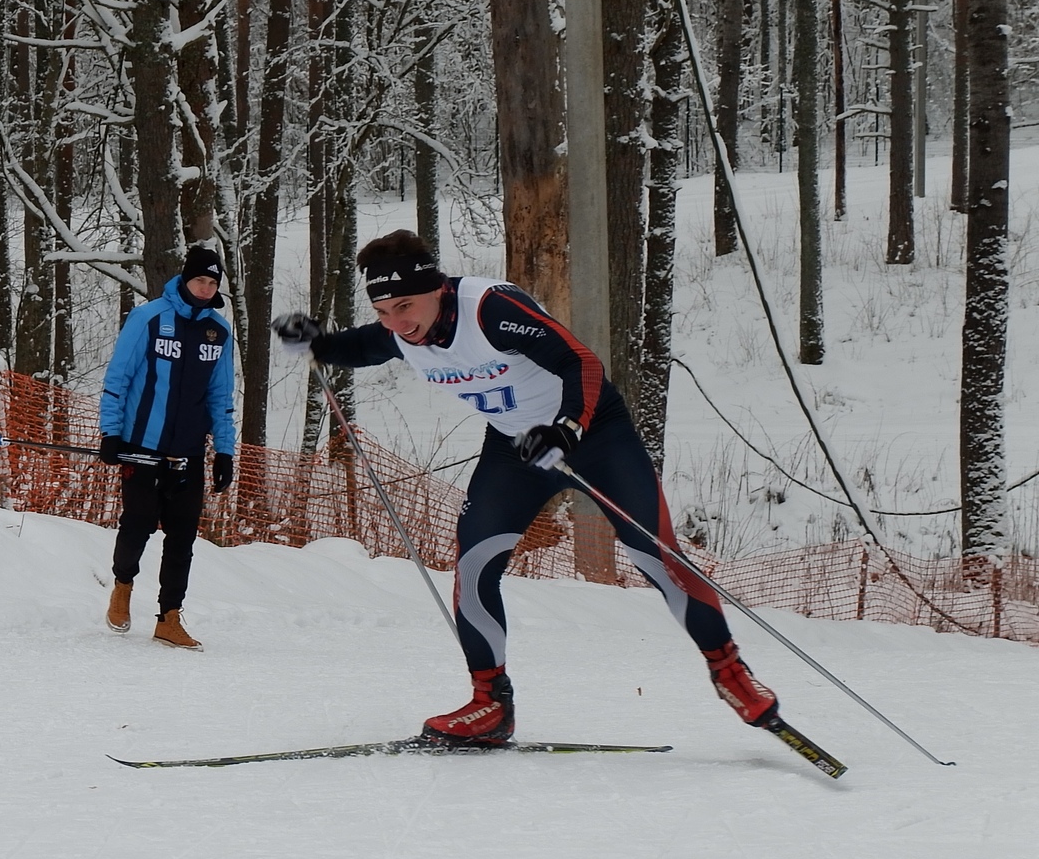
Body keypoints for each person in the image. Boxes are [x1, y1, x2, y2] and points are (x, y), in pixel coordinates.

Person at [273, 228, 782, 745]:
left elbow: (579, 361)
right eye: (384, 312)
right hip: (516, 448)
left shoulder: (488, 309)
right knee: (474, 563)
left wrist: (567, 428)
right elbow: (362, 345)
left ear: (438, 288)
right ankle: (490, 704)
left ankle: (729, 671)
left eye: (405, 305)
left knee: (657, 556)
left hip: (594, 434)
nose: (397, 323)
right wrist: (317, 342)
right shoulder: (403, 332)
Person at [96, 244, 238, 648]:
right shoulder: (149, 317)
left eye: (212, 282)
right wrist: (110, 434)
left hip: (188, 452)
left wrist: (224, 451)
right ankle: (123, 586)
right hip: (142, 445)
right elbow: (118, 378)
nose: (206, 288)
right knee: (137, 526)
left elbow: (221, 397)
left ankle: (169, 616)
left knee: (182, 537)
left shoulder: (218, 332)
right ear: (185, 279)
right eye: (200, 280)